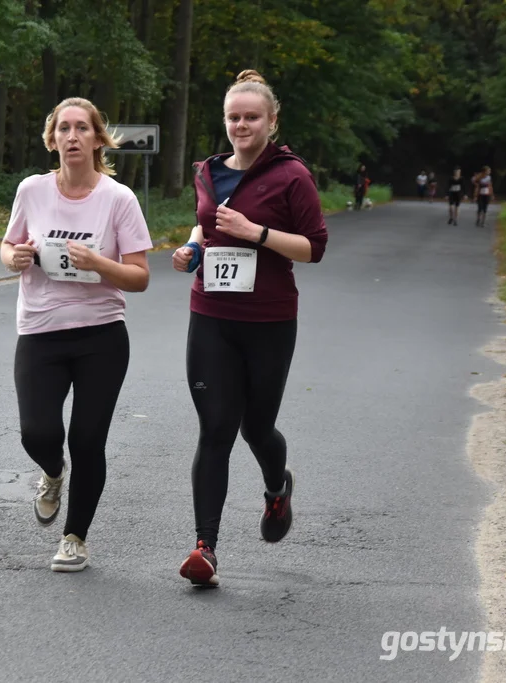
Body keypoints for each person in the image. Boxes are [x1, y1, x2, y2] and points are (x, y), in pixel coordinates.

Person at [171, 70, 328, 587]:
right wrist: (194, 247)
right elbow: (205, 222)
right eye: (234, 117)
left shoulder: (292, 176)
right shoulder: (209, 173)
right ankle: (205, 549)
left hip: (269, 321)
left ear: (271, 121)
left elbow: (314, 247)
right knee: (215, 430)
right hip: (211, 315)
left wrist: (256, 233)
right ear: (225, 121)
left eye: (252, 117)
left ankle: (277, 487)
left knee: (255, 428)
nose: (242, 125)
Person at [0, 97, 153, 572]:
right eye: (63, 128)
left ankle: (75, 537)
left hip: (101, 336)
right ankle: (51, 471)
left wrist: (98, 263)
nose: (72, 136)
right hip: (41, 332)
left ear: (97, 139)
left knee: (88, 440)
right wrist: (15, 258)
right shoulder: (32, 190)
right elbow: (8, 247)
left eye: (82, 128)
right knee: (37, 433)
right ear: (52, 140)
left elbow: (140, 276)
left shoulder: (118, 198)